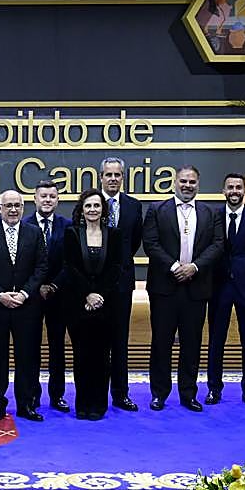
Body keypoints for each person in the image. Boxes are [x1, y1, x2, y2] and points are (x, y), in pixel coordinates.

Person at [142, 165, 224, 411]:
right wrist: (176, 266)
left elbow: (218, 244)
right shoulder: (157, 210)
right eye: (183, 181)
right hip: (164, 287)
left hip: (196, 288)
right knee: (161, 342)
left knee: (192, 343)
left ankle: (188, 393)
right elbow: (151, 244)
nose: (187, 185)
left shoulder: (210, 212)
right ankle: (159, 393)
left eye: (192, 182)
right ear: (174, 183)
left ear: (198, 184)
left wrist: (195, 267)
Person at [0, 190, 46, 422]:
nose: (13, 209)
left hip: (27, 308)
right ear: (0, 208)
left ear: (23, 207)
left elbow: (41, 268)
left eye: (17, 205)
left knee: (27, 358)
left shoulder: (35, 234)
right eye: (8, 206)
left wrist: (25, 293)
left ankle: (26, 404)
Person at [57, 188, 121, 420]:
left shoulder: (114, 234)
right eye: (88, 206)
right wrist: (87, 295)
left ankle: (98, 405)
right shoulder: (72, 233)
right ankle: (83, 405)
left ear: (103, 209)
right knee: (82, 357)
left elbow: (116, 268)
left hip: (105, 307)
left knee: (103, 357)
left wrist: (99, 295)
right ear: (81, 210)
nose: (93, 210)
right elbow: (71, 268)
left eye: (97, 205)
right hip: (78, 306)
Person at [205, 174, 245, 407]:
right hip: (218, 286)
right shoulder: (214, 216)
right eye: (230, 187)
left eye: (238, 187)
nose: (234, 191)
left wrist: (243, 268)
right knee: (216, 339)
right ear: (223, 190)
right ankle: (214, 389)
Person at [23, 180, 71, 412]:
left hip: (59, 296)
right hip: (31, 297)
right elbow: (21, 265)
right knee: (30, 347)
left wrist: (52, 285)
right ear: (35, 199)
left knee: (57, 347)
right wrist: (37, 287)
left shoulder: (68, 226)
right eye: (43, 196)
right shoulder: (23, 225)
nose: (47, 200)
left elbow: (70, 263)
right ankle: (32, 394)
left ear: (57, 200)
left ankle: (57, 395)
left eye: (52, 196)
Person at [100, 157, 143, 410]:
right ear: (101, 177)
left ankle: (120, 394)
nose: (113, 179)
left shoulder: (133, 206)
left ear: (122, 178)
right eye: (109, 175)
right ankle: (97, 392)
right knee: (97, 340)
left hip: (123, 282)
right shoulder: (91, 203)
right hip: (96, 285)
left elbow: (133, 241)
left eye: (117, 175)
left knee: (120, 340)